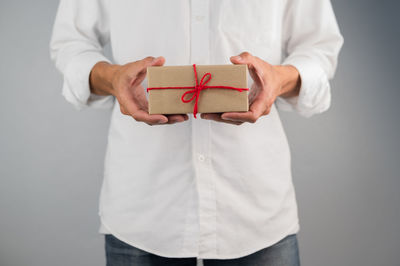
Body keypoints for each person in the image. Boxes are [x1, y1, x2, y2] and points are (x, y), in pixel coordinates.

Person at [50, 0, 343, 265]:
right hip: (144, 206)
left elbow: (319, 46)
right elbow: (71, 42)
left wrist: (278, 79)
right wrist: (113, 79)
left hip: (255, 207)